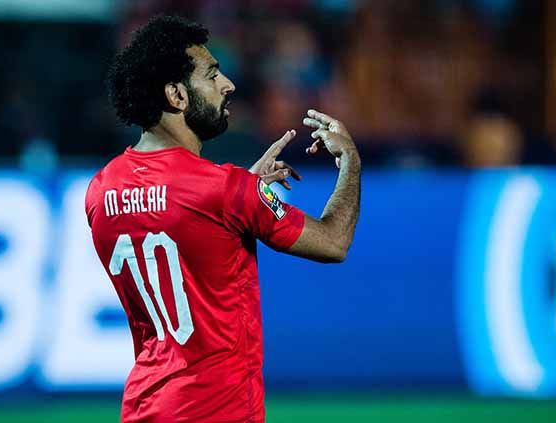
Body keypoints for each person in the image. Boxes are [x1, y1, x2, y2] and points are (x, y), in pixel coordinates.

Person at [85, 15, 360, 422]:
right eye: (212, 75)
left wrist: (245, 190)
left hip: (143, 407)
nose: (227, 84)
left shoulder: (101, 190)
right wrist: (350, 163)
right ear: (177, 95)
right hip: (217, 410)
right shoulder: (225, 190)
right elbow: (333, 242)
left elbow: (181, 221)